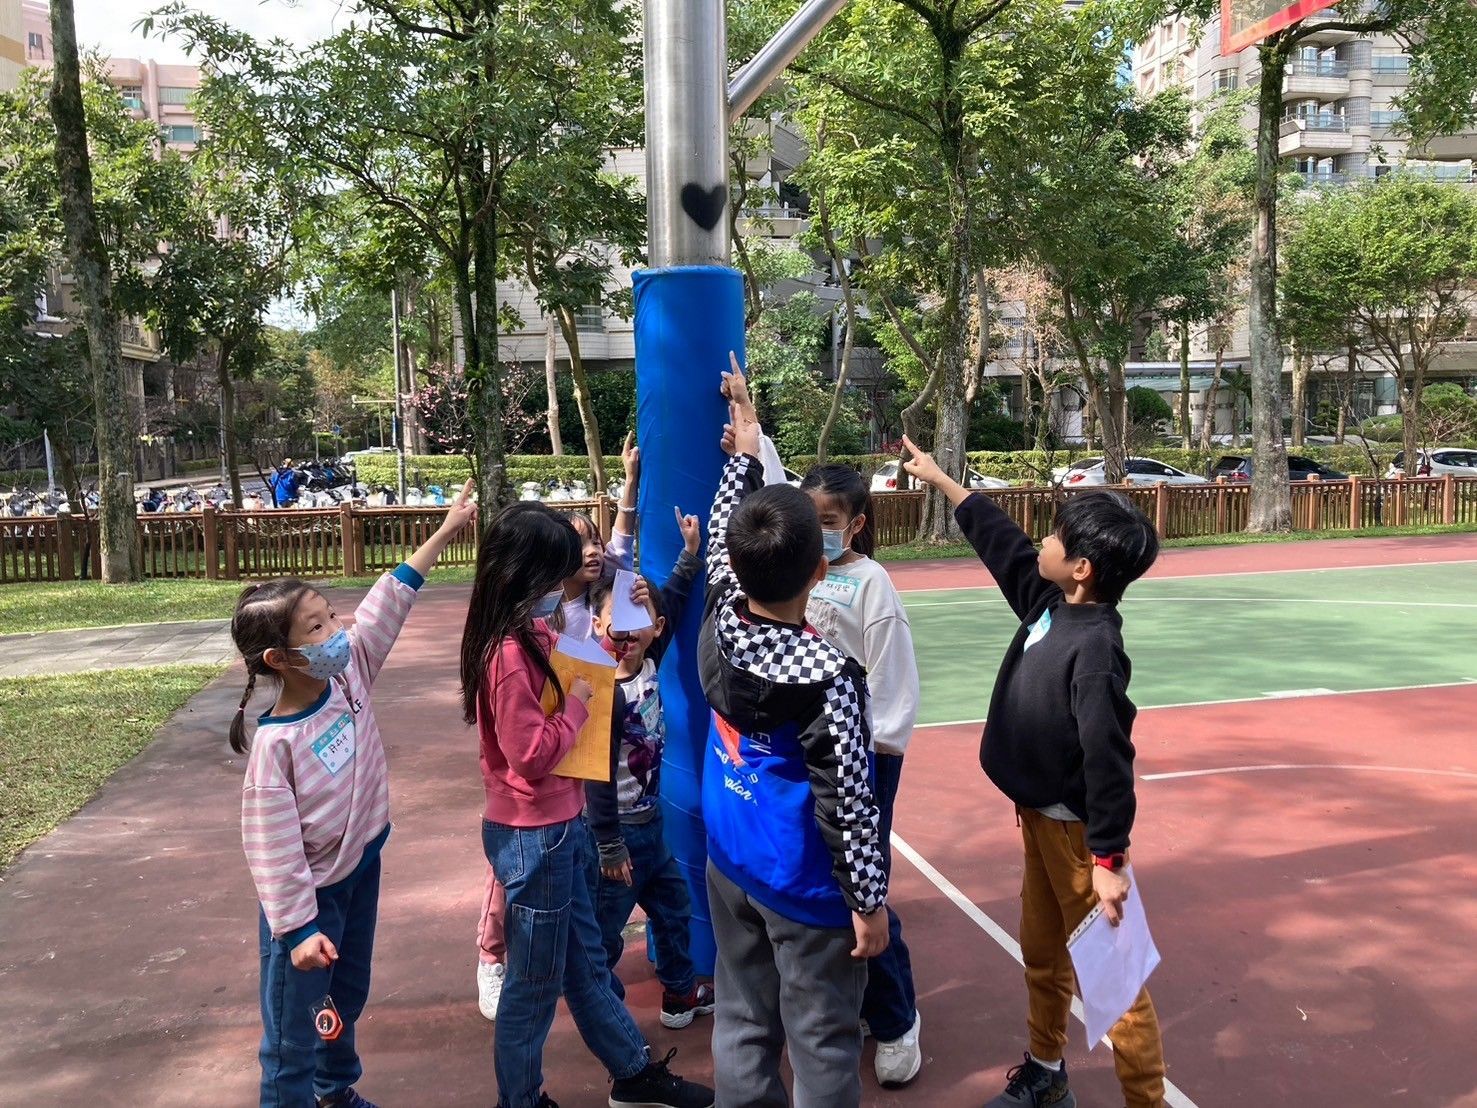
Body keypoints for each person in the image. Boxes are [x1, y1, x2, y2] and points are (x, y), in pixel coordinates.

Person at [900, 435, 1165, 1108]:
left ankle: (1147, 1100)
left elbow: (1109, 758)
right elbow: (1002, 544)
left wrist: (1108, 858)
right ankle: (1046, 1072)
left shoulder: (1097, 650)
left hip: (1078, 841)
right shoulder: (1047, 605)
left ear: (1079, 568)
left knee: (1113, 987)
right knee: (1041, 955)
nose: (1037, 543)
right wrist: (941, 480)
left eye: (1052, 537)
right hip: (1037, 825)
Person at [230, 480, 478, 1108]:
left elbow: (386, 600)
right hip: (309, 901)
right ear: (279, 658)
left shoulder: (349, 675)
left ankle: (335, 1092)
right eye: (316, 628)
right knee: (292, 1032)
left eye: (331, 617)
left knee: (346, 996)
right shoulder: (275, 747)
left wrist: (446, 532)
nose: (337, 631)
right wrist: (297, 928)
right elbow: (272, 850)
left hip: (359, 869)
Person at [460, 502, 713, 1108]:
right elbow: (530, 754)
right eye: (557, 573)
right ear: (525, 575)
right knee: (534, 983)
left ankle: (633, 1072)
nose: (567, 585)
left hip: (559, 825)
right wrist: (577, 703)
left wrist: (672, 570)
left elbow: (624, 614)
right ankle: (519, 1099)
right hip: (536, 835)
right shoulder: (510, 652)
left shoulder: (540, 631)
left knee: (584, 968)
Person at [700, 361, 889, 1108]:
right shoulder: (825, 670)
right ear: (820, 568)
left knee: (743, 1019)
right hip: (800, 880)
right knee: (821, 1039)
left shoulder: (719, 611)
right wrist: (868, 904)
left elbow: (723, 529)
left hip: (729, 851)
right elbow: (848, 795)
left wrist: (745, 449)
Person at [475, 433, 646, 1021]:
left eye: (592, 544)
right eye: (574, 550)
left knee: (573, 948)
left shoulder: (572, 614)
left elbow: (620, 555)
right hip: (537, 804)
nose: (592, 554)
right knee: (530, 951)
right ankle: (492, 958)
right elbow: (528, 750)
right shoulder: (524, 636)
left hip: (565, 792)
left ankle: (624, 1060)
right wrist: (576, 702)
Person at [799, 463, 924, 1087]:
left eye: (828, 523)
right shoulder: (794, 573)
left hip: (864, 759)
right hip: (804, 755)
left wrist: (873, 757)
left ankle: (897, 1019)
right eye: (809, 521)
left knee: (863, 886)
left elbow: (891, 680)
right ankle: (854, 998)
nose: (817, 533)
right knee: (819, 882)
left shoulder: (871, 583)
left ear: (855, 525)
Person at [584, 508, 714, 1028]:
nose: (628, 632)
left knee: (674, 908)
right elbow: (594, 775)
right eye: (617, 620)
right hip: (612, 834)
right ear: (597, 625)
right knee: (605, 928)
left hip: (651, 826)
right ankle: (600, 1003)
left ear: (653, 628)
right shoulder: (596, 686)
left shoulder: (649, 656)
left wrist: (688, 556)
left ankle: (680, 993)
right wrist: (610, 844)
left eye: (641, 622)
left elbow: (676, 602)